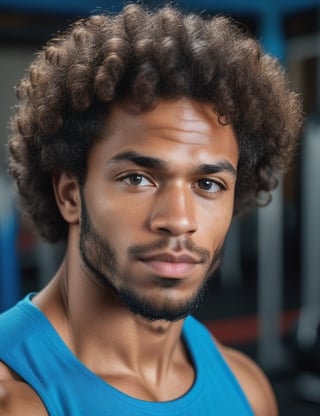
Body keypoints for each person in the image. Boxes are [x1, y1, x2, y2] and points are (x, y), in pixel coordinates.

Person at [0, 4, 302, 415]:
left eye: (208, 184)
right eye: (138, 178)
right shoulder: (17, 399)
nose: (178, 220)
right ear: (71, 194)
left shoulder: (248, 391)